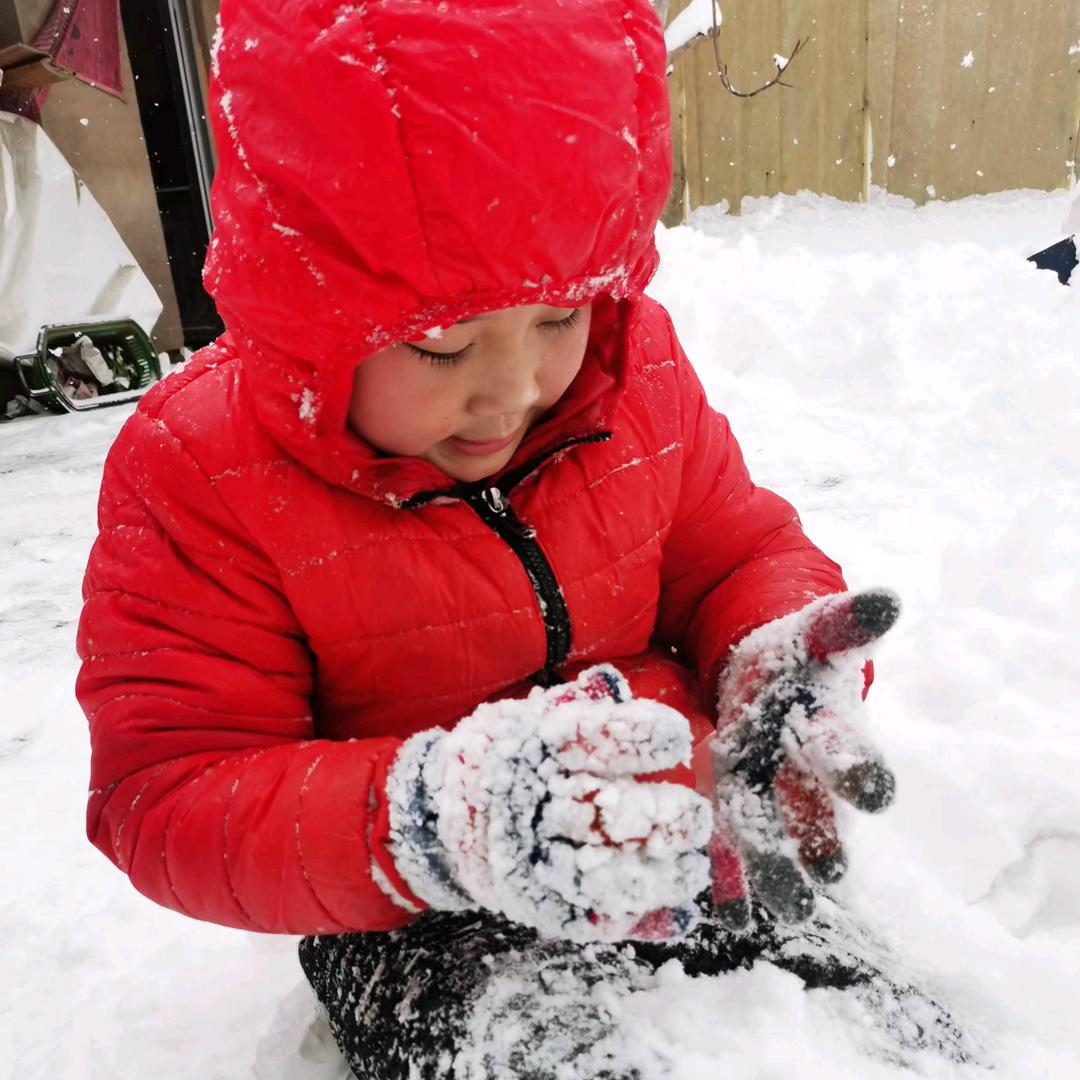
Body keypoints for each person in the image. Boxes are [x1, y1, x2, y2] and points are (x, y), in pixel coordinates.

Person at [77, 1, 974, 1076]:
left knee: (886, 1039)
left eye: (559, 317)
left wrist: (761, 656)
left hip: (678, 825)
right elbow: (169, 789)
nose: (512, 390)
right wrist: (438, 818)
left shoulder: (632, 375)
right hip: (418, 909)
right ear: (303, 308)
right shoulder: (200, 470)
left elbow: (735, 554)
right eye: (440, 344)